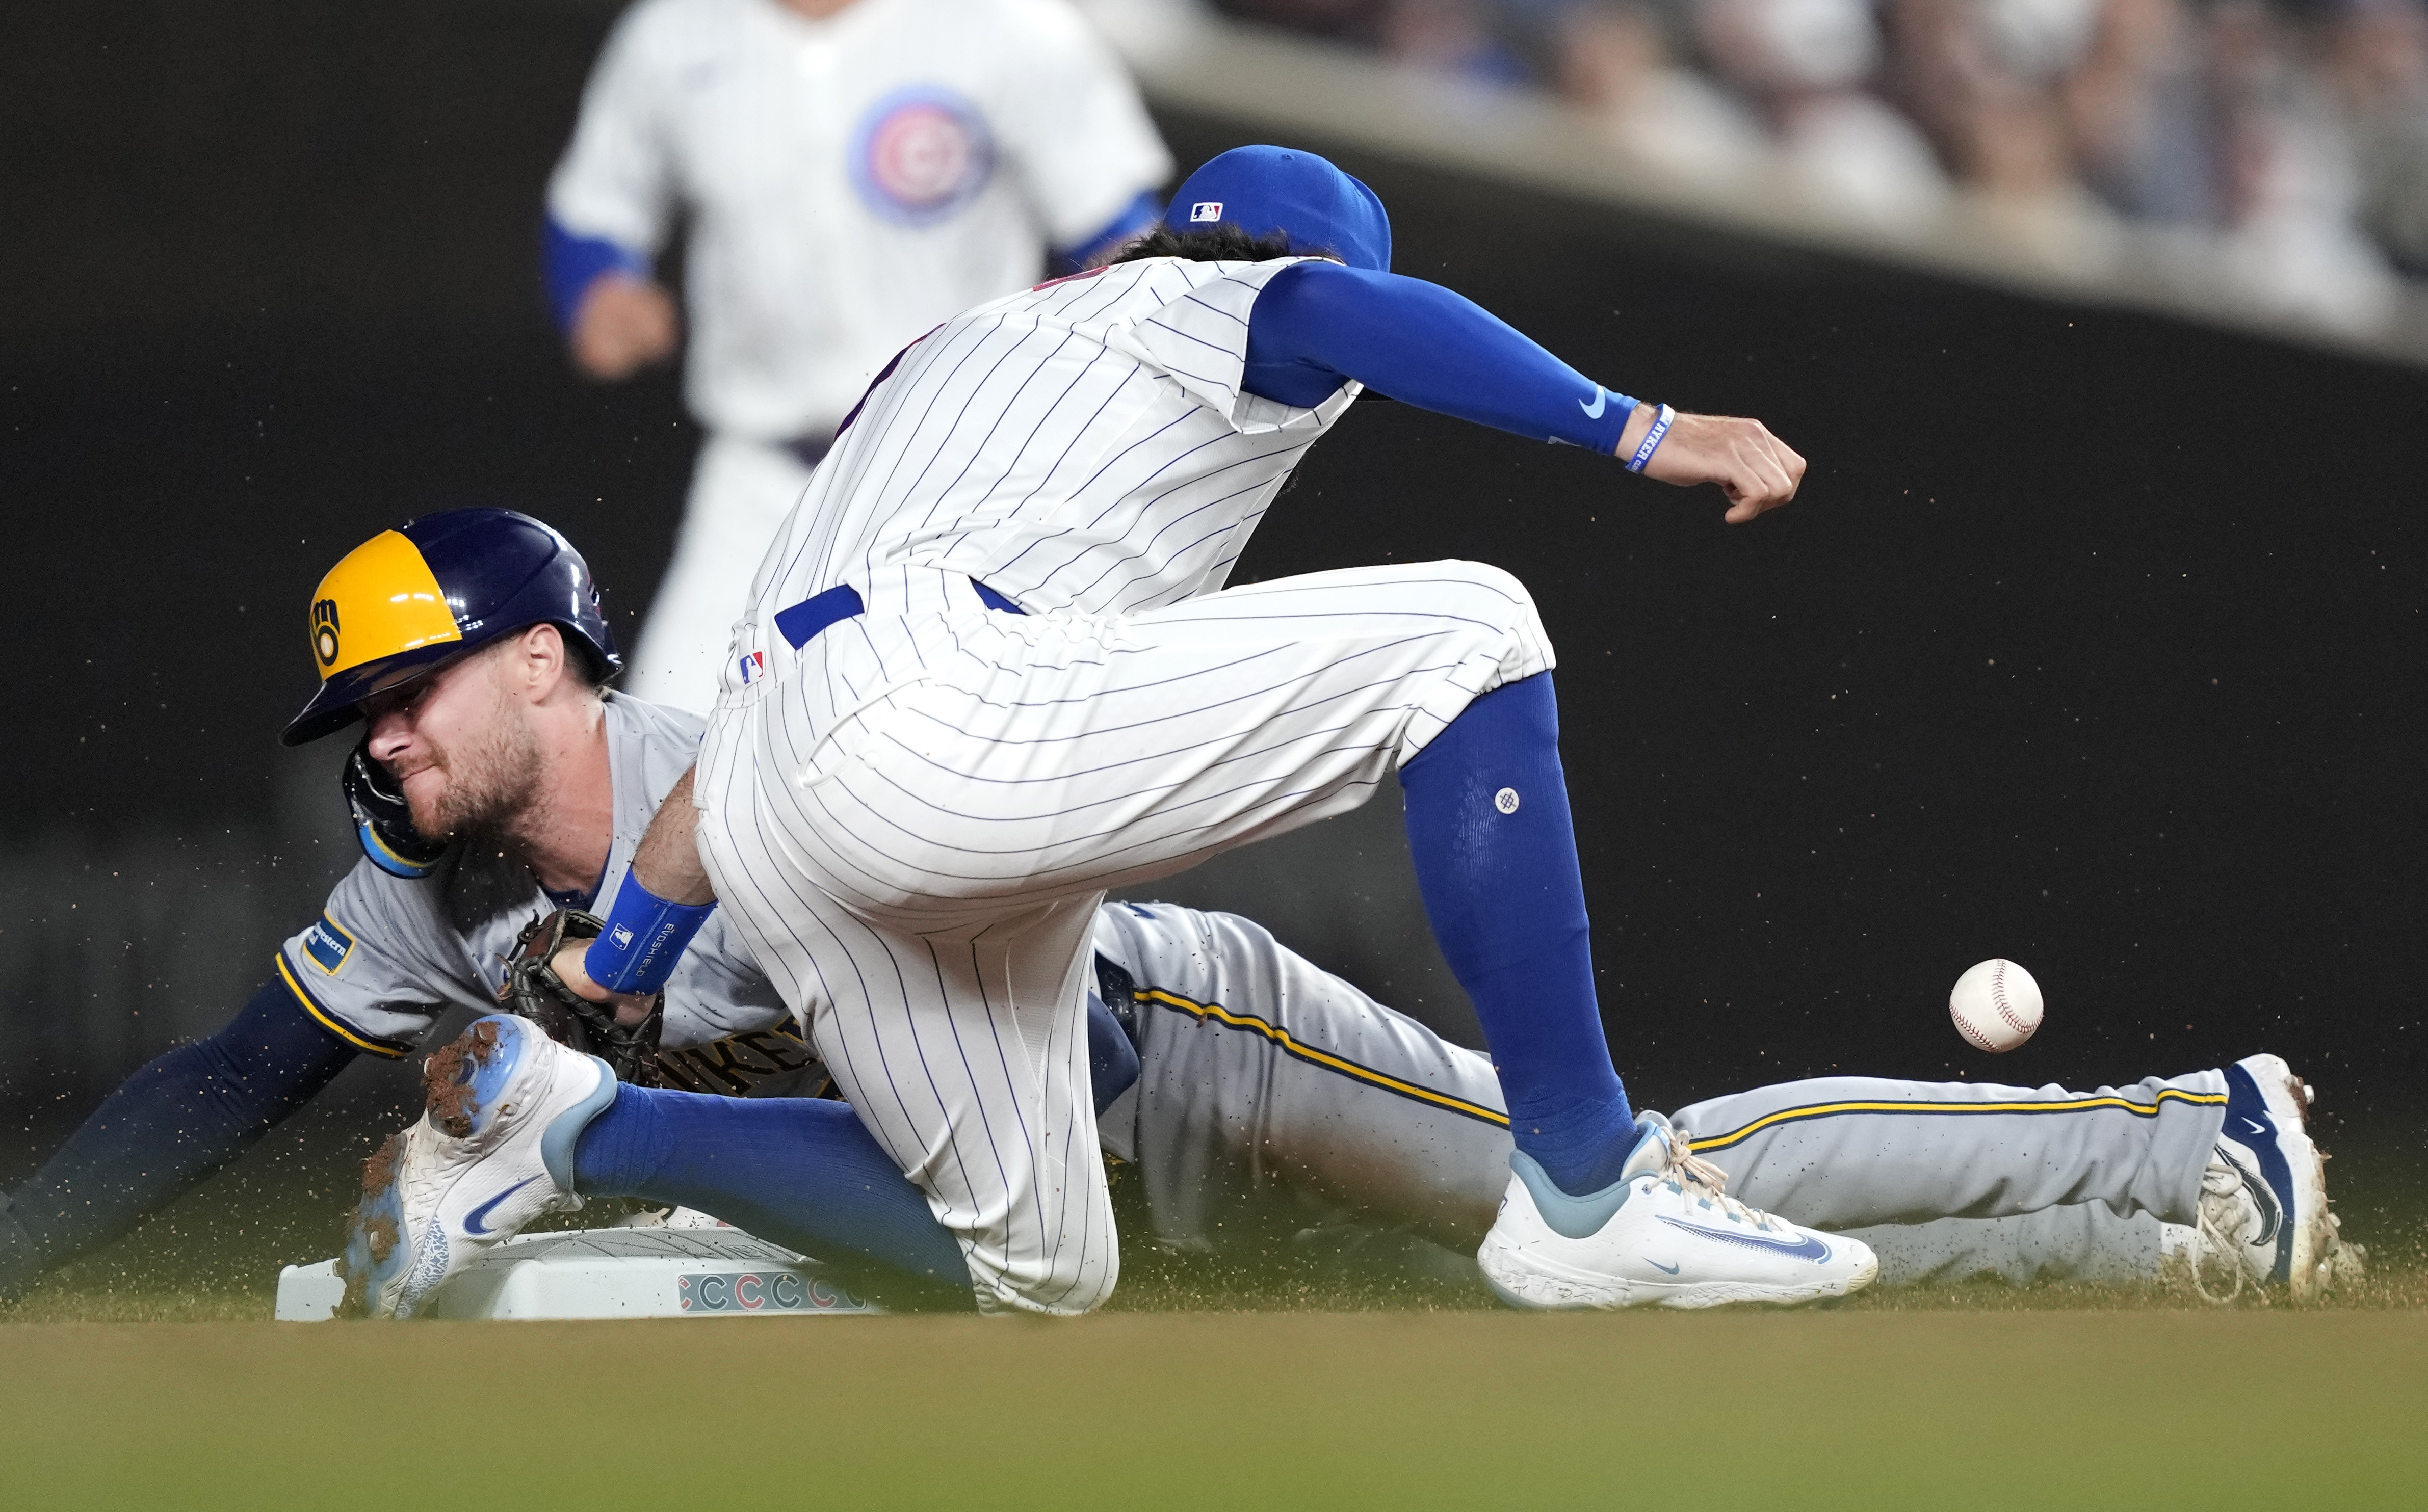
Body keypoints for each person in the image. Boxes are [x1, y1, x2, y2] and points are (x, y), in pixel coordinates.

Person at [390, 145, 2337, 1316]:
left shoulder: (954, 373)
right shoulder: (1197, 310)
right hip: (937, 728)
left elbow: (751, 763)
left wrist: (615, 969)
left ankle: (581, 1135)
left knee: (1035, 1274)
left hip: (801, 788)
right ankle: (1589, 1194)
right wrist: (1646, 429)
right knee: (1471, 623)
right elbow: (1347, 317)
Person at [0, 512, 2349, 1310]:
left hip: (1177, 1046)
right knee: (1606, 1319)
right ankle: (2147, 1244)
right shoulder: (426, 891)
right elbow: (234, 1067)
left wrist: (614, 1136)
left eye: (406, 692)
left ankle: (2182, 1129)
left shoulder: (763, 770)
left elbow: (1079, 1066)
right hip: (1045, 1175)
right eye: (358, 722)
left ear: (540, 658)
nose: (380, 742)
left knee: (1635, 1188)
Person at [545, 0, 1173, 715]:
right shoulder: (677, 30)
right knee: (670, 738)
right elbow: (594, 210)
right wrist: (597, 289)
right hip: (765, 483)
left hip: (966, 479)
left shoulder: (1010, 24)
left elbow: (1117, 229)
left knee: (972, 757)